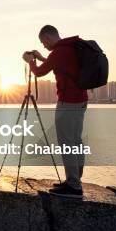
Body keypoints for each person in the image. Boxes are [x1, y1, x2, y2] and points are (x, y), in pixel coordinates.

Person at [22, 25, 88, 199]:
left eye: (44, 42)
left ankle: (73, 186)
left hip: (68, 102)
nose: (44, 46)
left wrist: (30, 61)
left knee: (67, 143)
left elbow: (39, 73)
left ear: (49, 38)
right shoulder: (71, 48)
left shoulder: (58, 52)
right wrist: (42, 57)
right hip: (80, 100)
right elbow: (58, 67)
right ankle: (75, 180)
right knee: (75, 141)